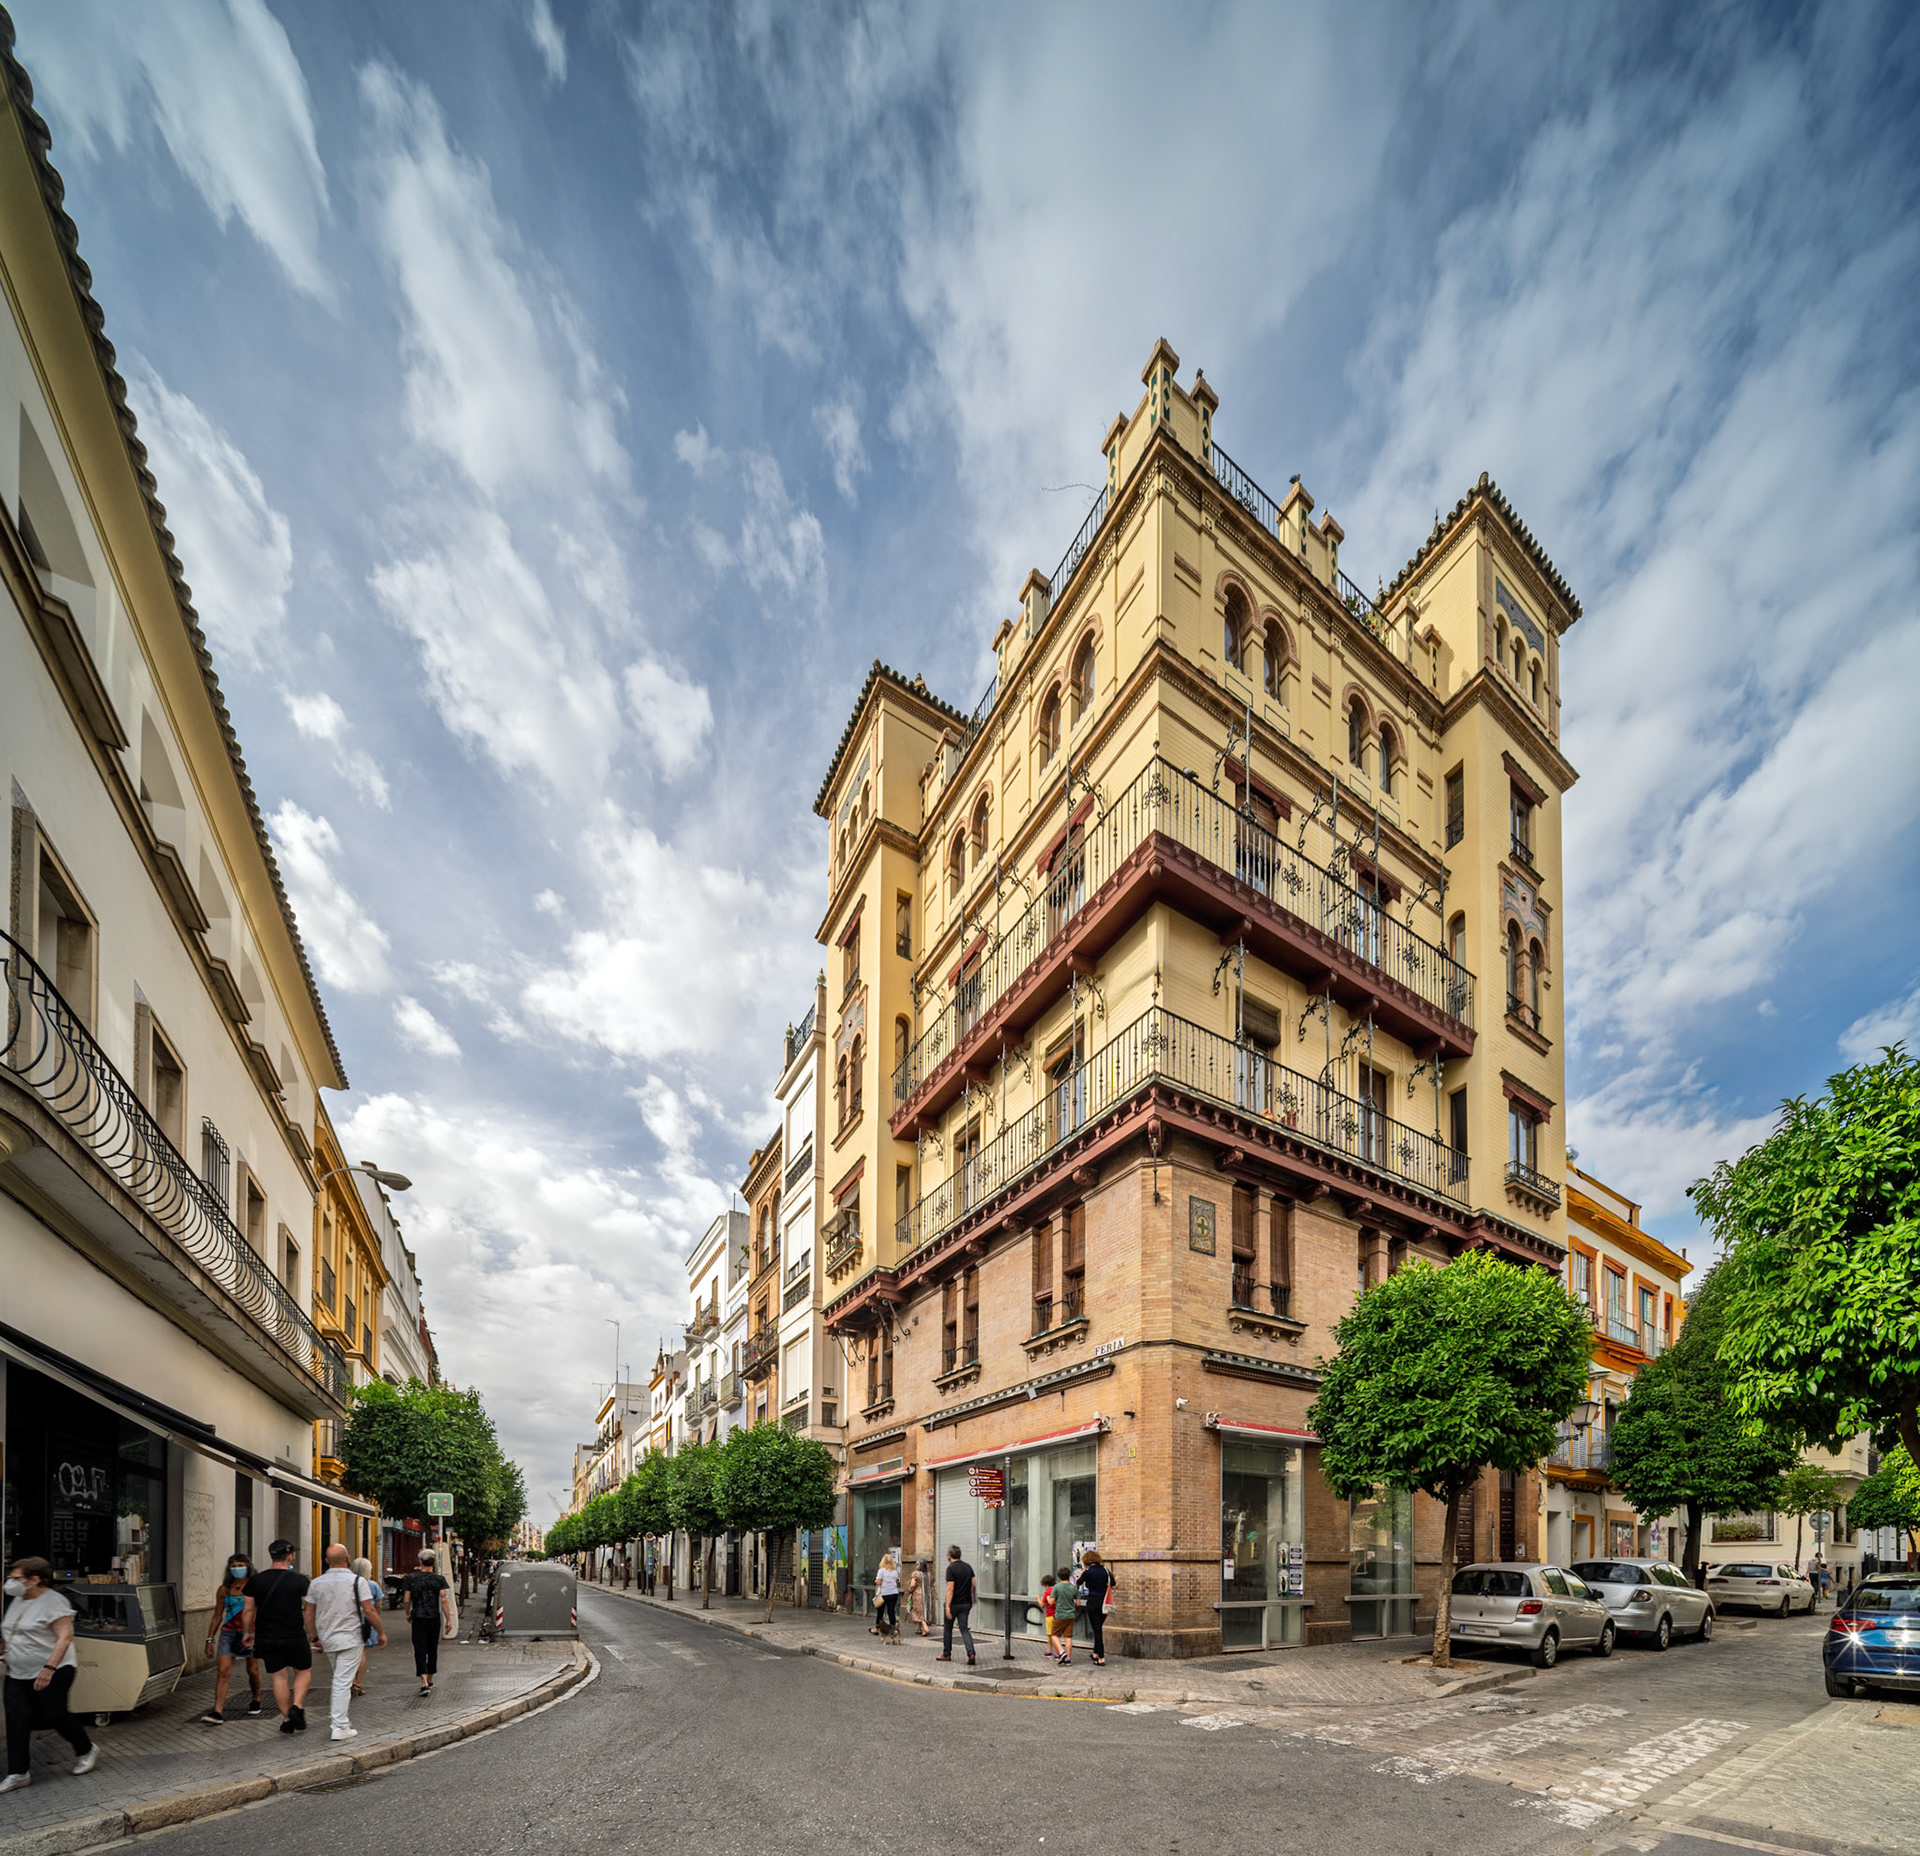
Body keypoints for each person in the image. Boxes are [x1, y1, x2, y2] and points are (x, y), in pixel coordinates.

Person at [0, 1558, 97, 1791]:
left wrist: (49, 1669)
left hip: (54, 1670)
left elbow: (65, 1637)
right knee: (16, 1718)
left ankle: (86, 1749)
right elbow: (13, 1631)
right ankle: (18, 1772)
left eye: (16, 1578)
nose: (10, 1583)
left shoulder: (54, 1602)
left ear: (35, 1579)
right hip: (17, 1672)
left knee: (56, 1714)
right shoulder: (18, 1599)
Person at [307, 1546, 386, 1742]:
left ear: (326, 1561)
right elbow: (369, 1610)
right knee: (342, 1682)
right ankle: (339, 1725)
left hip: (328, 1638)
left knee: (339, 1678)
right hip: (351, 1637)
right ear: (347, 1558)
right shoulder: (358, 1582)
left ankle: (341, 1722)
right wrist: (381, 1632)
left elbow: (309, 1613)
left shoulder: (316, 1583)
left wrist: (314, 1637)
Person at [241, 1539, 312, 1734]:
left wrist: (247, 1633)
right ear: (291, 1556)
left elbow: (247, 1611)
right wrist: (313, 1635)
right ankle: (297, 1705)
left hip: (267, 1637)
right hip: (294, 1635)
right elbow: (308, 1609)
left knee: (279, 1678)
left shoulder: (256, 1581)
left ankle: (287, 1719)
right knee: (303, 1671)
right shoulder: (300, 1581)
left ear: (272, 1556)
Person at [199, 1554, 263, 1722]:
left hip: (250, 1632)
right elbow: (217, 1615)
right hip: (228, 1633)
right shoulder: (224, 1590)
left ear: (248, 1567)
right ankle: (218, 1711)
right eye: (234, 1566)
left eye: (241, 1565)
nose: (237, 1569)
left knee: (253, 1670)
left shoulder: (256, 1587)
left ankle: (256, 1699)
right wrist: (209, 1639)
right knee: (223, 1671)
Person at [401, 1550, 455, 1696]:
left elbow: (406, 1600)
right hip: (434, 1618)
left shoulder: (410, 1579)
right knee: (432, 1648)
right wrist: (448, 1620)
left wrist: (408, 1613)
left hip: (418, 1617)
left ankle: (424, 1681)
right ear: (433, 1563)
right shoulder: (439, 1579)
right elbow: (444, 1599)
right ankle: (431, 1677)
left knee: (419, 1648)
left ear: (420, 1562)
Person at [937, 1543, 976, 1666]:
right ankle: (971, 1652)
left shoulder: (951, 1569)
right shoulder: (968, 1567)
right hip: (966, 1604)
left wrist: (947, 1606)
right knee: (964, 1629)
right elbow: (974, 1584)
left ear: (949, 1556)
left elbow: (950, 1589)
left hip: (953, 1604)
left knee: (948, 1629)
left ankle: (946, 1654)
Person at [1074, 1549, 1114, 1666]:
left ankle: (1101, 1657)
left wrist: (1083, 1572)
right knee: (1098, 1627)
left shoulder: (1088, 1571)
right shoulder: (1105, 1570)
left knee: (1097, 1630)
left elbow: (1078, 1583)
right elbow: (1114, 1584)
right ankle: (1096, 1653)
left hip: (1092, 1602)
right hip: (1104, 1603)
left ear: (1086, 1560)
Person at [349, 1558, 378, 1696]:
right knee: (363, 1652)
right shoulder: (372, 1585)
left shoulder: (347, 1583)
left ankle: (348, 1682)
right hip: (366, 1621)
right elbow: (378, 1605)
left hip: (349, 1621)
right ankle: (358, 1683)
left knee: (349, 1653)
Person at [871, 1552, 901, 1643]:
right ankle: (893, 1629)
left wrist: (876, 1580)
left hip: (884, 1594)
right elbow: (895, 1582)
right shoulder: (895, 1571)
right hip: (894, 1593)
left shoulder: (881, 1571)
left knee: (880, 1612)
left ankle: (878, 1628)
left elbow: (879, 1582)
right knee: (891, 1612)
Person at [907, 1562, 930, 1637]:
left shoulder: (916, 1574)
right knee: (923, 1610)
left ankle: (925, 1628)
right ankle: (919, 1628)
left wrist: (910, 1590)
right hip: (926, 1595)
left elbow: (913, 1584)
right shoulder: (927, 1574)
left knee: (919, 1612)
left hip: (918, 1595)